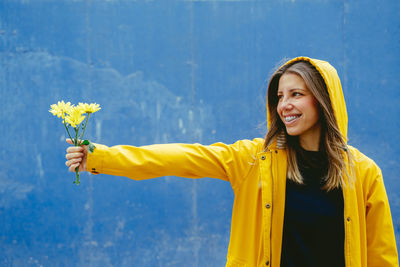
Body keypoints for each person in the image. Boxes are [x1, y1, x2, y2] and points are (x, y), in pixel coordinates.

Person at [65, 57, 399, 267]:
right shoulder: (254, 159)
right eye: (280, 96)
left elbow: (381, 255)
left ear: (323, 100)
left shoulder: (363, 172)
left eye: (296, 94)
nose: (284, 105)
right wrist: (100, 157)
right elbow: (181, 158)